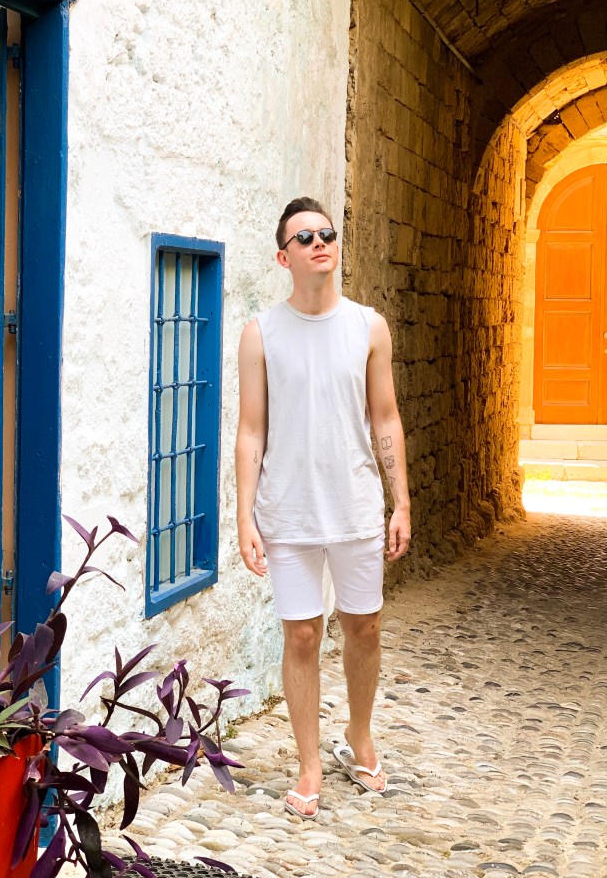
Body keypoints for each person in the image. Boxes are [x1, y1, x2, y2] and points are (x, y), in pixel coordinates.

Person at [235, 196, 411, 821]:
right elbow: (251, 430)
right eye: (304, 237)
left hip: (357, 505)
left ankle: (360, 737)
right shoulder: (261, 333)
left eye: (327, 233)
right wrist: (244, 516)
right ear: (284, 256)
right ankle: (310, 763)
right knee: (303, 635)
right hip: (289, 512)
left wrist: (401, 503)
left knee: (364, 626)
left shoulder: (369, 327)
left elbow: (384, 417)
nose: (319, 243)